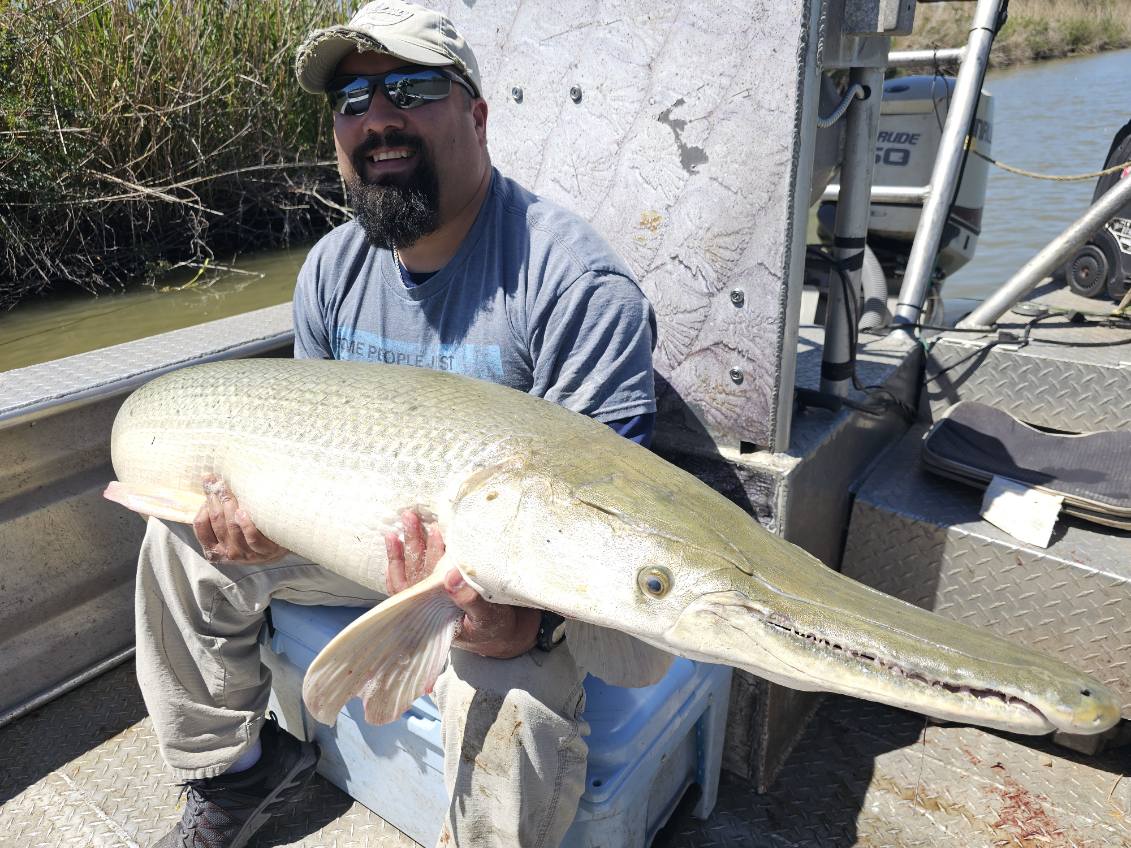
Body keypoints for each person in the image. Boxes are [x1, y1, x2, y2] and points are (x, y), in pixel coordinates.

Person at [136, 2, 657, 847]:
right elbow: (305, 449)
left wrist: (528, 620)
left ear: (476, 116)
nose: (376, 118)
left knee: (514, 687)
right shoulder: (333, 268)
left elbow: (608, 531)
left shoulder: (575, 286)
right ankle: (232, 777)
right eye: (350, 101)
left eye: (410, 89)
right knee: (180, 543)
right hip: (363, 544)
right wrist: (265, 528)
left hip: (507, 583)